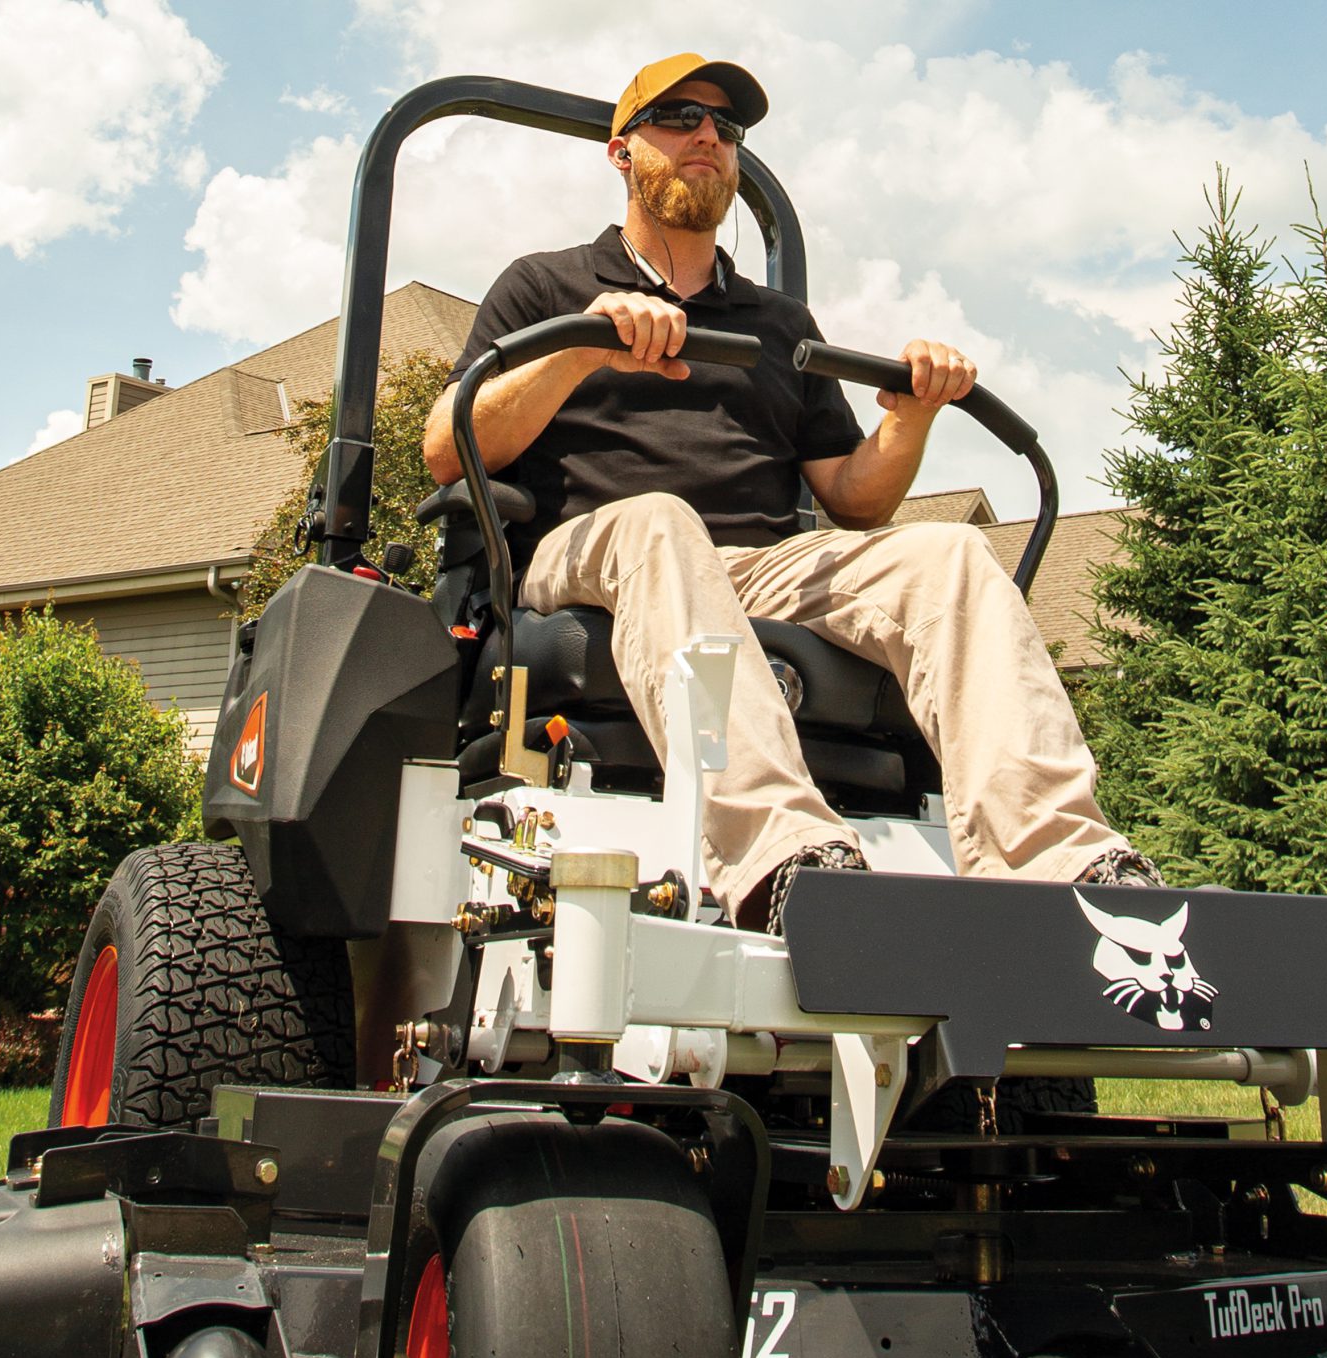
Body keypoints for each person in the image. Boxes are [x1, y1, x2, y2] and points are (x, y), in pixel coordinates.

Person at [423, 52, 1158, 931]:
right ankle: (780, 855)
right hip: (589, 556)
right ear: (622, 151)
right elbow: (447, 443)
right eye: (681, 118)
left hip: (755, 568)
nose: (708, 137)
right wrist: (585, 347)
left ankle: (1063, 867)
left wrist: (913, 415)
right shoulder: (547, 286)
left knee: (951, 554)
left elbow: (855, 499)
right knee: (664, 524)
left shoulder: (780, 325)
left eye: (726, 129)